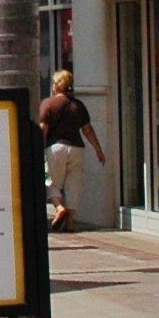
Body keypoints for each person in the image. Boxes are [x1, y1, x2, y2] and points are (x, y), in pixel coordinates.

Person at [37, 69, 108, 232]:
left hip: (55, 148)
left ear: (57, 86)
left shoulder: (48, 104)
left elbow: (43, 128)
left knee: (51, 181)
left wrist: (37, 148)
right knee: (73, 185)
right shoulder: (78, 105)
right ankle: (70, 223)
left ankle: (59, 207)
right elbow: (87, 129)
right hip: (77, 148)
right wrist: (98, 149)